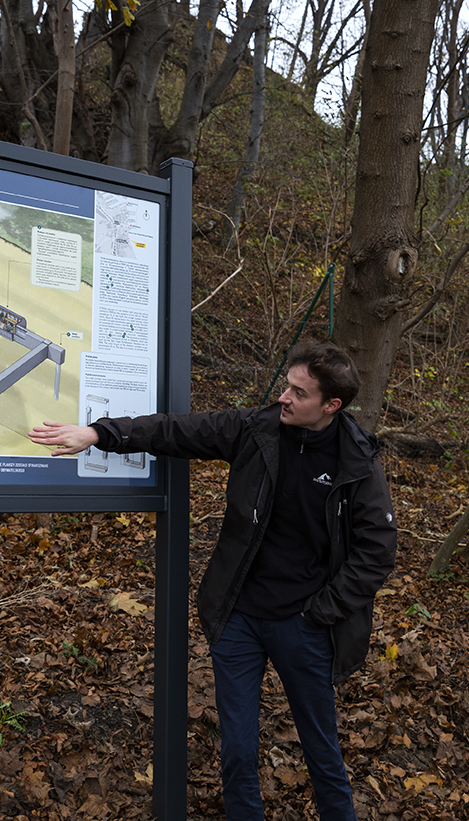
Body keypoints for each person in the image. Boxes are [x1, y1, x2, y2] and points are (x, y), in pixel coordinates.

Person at [29, 341, 396, 821]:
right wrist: (100, 432)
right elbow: (177, 430)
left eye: (299, 393)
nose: (283, 397)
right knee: (237, 748)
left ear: (332, 405)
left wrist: (321, 612)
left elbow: (377, 552)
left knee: (321, 750)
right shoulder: (257, 429)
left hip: (305, 626)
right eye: (286, 384)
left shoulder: (357, 461)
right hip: (238, 617)